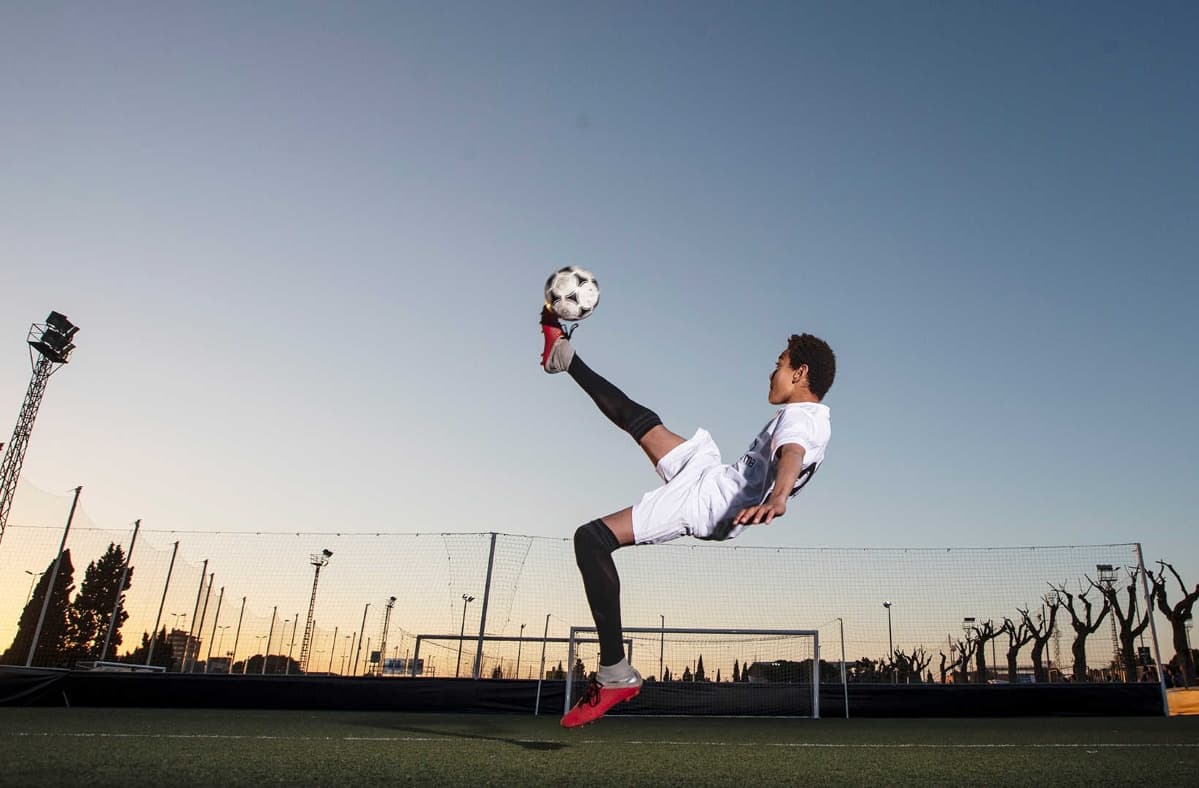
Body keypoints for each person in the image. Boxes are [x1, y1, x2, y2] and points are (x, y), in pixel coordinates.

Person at [539, 307, 835, 727]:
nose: (772, 373)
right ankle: (564, 356)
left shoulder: (801, 419)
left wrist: (781, 497)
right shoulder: (812, 418)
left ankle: (615, 673)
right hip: (716, 477)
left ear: (800, 373)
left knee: (591, 540)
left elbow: (793, 453)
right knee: (640, 422)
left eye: (779, 365)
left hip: (710, 504)